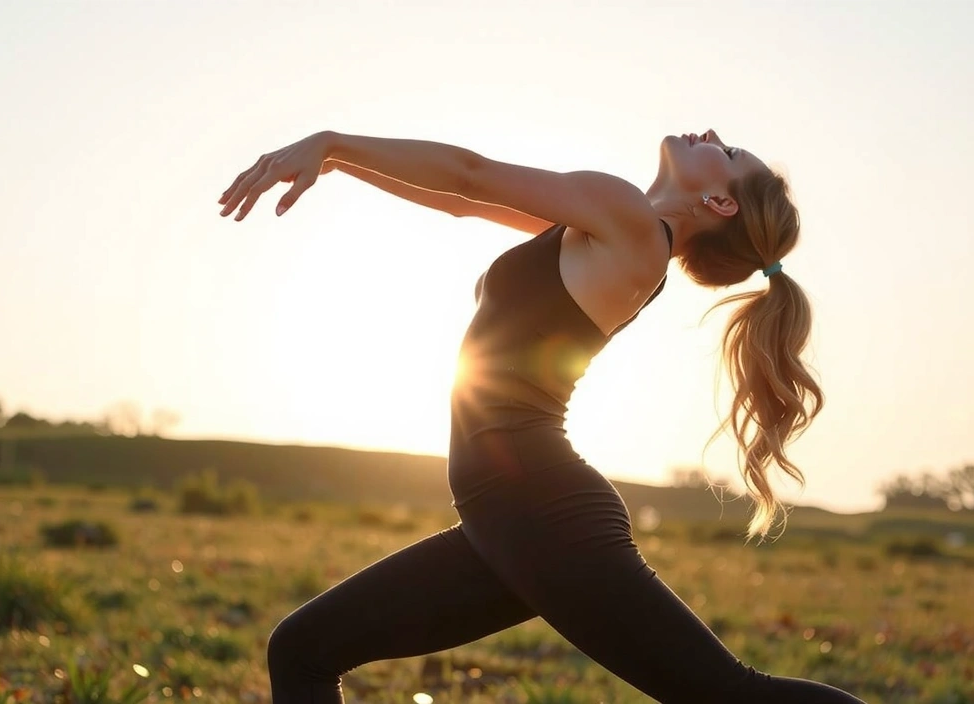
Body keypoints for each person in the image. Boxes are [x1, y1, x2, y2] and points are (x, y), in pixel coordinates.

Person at [217, 129, 864, 703]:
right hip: (511, 517)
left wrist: (331, 141)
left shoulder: (626, 218)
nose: (713, 133)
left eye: (726, 153)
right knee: (303, 650)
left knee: (729, 695)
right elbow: (463, 199)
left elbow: (470, 172)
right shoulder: (610, 231)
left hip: (540, 510)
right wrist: (335, 163)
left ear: (720, 203)